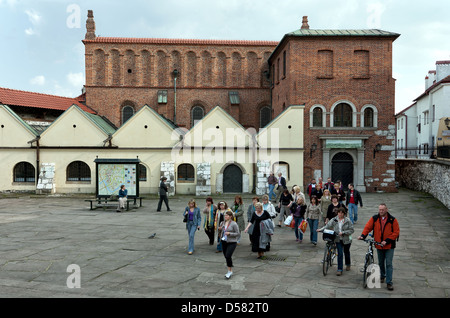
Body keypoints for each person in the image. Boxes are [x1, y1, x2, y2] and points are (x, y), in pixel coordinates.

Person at [358, 203, 400, 291]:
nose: (381, 211)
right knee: (381, 263)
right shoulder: (375, 218)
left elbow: (396, 232)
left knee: (388, 263)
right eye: (380, 209)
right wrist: (363, 235)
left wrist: (387, 240)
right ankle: (382, 276)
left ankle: (389, 282)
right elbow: (368, 227)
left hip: (389, 246)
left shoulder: (393, 219)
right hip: (378, 245)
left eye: (383, 210)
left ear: (386, 209)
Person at [317, 207, 354, 276]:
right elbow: (328, 225)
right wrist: (321, 229)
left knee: (346, 252)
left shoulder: (347, 220)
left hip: (346, 240)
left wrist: (343, 232)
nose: (340, 214)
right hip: (337, 239)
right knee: (340, 253)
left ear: (344, 214)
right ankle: (339, 269)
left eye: (342, 213)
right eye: (339, 213)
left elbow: (352, 230)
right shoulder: (334, 219)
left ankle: (348, 264)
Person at [218, 210, 240, 279]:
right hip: (224, 241)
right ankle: (230, 269)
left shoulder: (234, 224)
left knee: (228, 255)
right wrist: (219, 229)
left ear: (230, 216)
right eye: (225, 215)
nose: (225, 217)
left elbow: (238, 233)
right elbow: (220, 231)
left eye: (227, 215)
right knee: (226, 256)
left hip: (232, 242)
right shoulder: (222, 223)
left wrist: (230, 233)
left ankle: (229, 271)